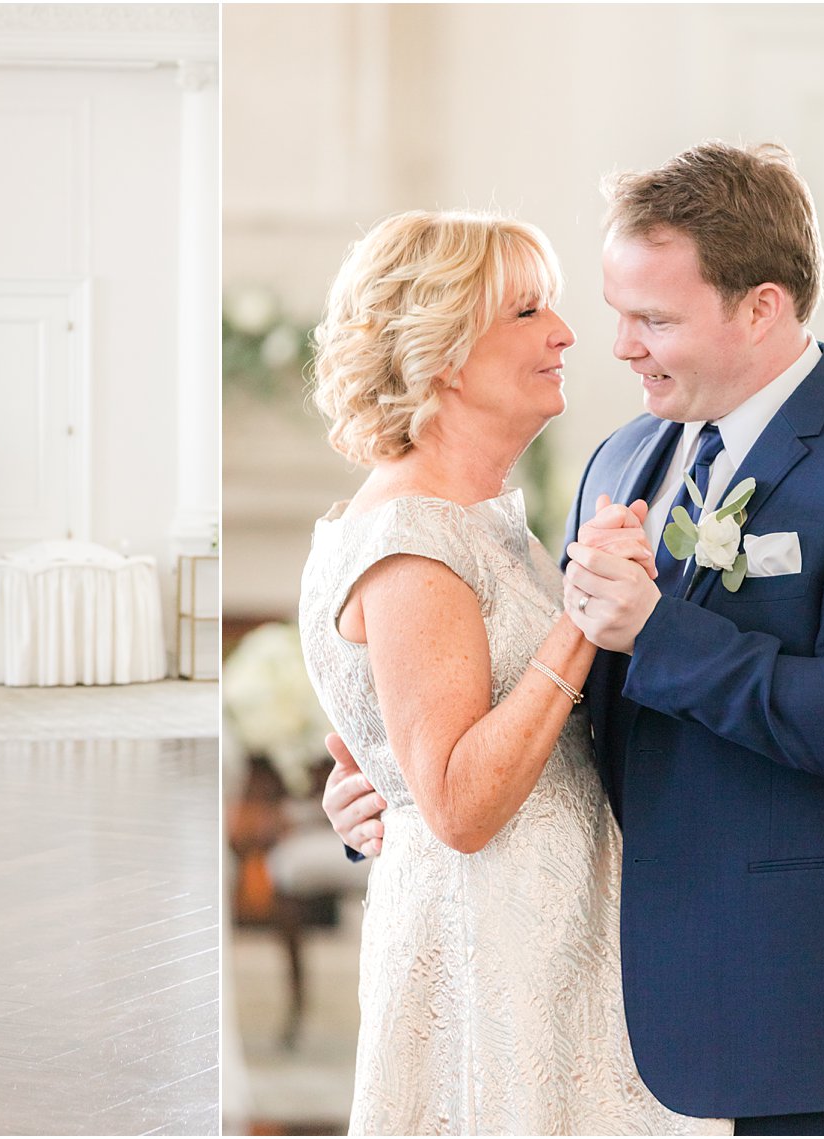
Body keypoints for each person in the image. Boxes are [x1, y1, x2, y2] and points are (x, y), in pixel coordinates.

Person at [326, 143, 824, 1135]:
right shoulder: (619, 456)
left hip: (792, 989)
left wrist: (659, 631)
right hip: (603, 989)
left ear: (759, 307)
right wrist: (395, 778)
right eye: (614, 307)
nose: (615, 342)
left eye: (653, 318)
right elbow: (556, 699)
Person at [298, 210, 726, 1135]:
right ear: (446, 350)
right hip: (492, 947)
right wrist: (583, 618)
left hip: (547, 931)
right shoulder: (415, 536)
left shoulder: (473, 515)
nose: (566, 333)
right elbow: (457, 804)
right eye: (528, 312)